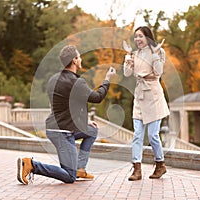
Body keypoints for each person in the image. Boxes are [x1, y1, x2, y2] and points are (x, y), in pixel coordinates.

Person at [17, 45, 116, 185]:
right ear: (75, 60)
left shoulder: (53, 79)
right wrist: (107, 79)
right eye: (79, 56)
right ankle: (32, 165)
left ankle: (80, 168)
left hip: (57, 127)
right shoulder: (76, 82)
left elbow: (65, 107)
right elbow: (97, 97)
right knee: (70, 176)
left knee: (92, 130)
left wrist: (84, 122)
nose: (81, 59)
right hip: (62, 132)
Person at [123, 26, 170, 181]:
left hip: (154, 96)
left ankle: (160, 164)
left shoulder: (158, 51)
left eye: (140, 36)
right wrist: (128, 55)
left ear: (147, 37)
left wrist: (156, 54)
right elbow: (127, 73)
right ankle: (137, 169)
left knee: (152, 135)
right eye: (135, 36)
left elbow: (158, 72)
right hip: (140, 96)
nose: (137, 39)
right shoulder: (135, 54)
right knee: (137, 135)